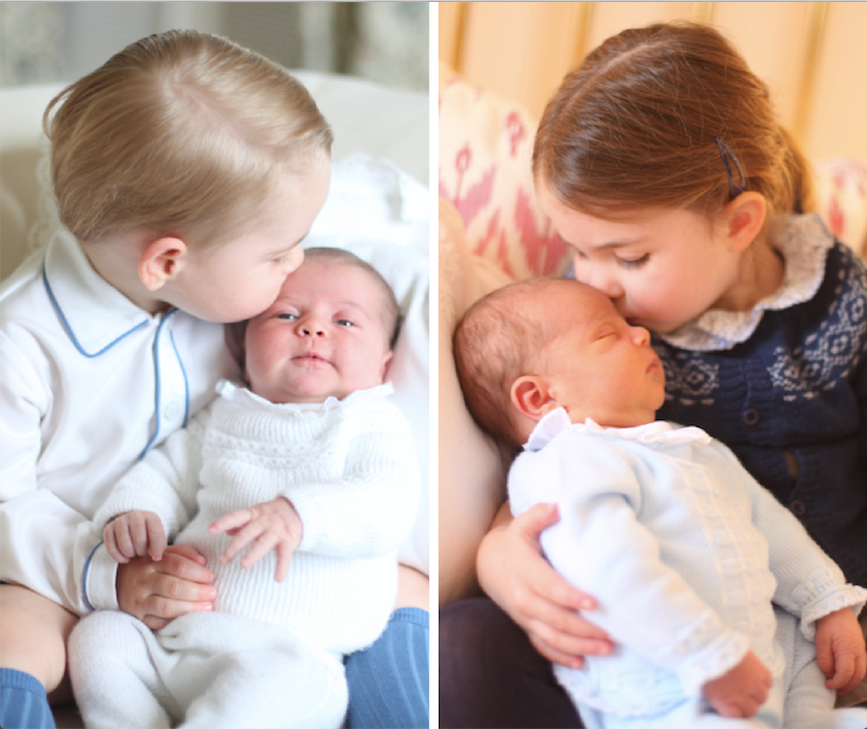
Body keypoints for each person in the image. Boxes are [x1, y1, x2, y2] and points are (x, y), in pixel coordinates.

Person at [439, 21, 867, 728]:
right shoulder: (587, 327)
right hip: (656, 632)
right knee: (460, 650)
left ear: (738, 223)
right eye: (578, 251)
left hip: (825, 633)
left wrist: (835, 603)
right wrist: (497, 561)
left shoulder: (843, 304)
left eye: (627, 257)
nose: (596, 282)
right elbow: (549, 463)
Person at [0, 31, 426, 729]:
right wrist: (108, 574)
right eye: (280, 254)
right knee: (21, 629)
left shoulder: (231, 288)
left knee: (403, 582)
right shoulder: (20, 340)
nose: (295, 268)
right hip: (72, 563)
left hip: (256, 583)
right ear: (168, 261)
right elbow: (7, 503)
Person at [453, 275, 867, 728]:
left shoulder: (697, 448)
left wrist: (824, 601)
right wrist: (706, 654)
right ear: (540, 396)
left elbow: (771, 526)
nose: (641, 333)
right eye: (607, 333)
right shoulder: (570, 459)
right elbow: (609, 566)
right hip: (678, 688)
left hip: (769, 678)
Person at [67, 248, 420, 729]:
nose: (313, 329)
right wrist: (135, 512)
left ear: (383, 364)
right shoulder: (226, 414)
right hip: (179, 639)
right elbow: (167, 471)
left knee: (287, 687)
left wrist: (300, 515)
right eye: (287, 314)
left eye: (346, 322)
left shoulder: (370, 423)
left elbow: (389, 504)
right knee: (100, 637)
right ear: (243, 344)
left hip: (293, 654)